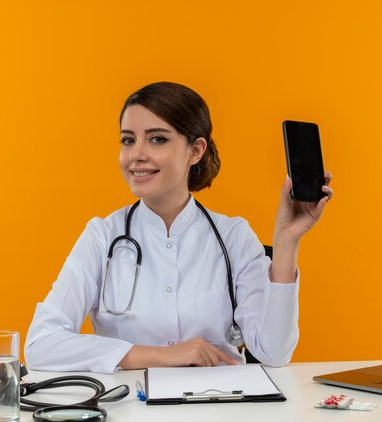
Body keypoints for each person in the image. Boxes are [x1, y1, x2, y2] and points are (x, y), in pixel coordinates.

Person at [24, 82, 333, 374]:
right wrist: (160, 355)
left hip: (218, 408)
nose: (136, 155)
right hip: (132, 409)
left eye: (157, 138)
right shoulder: (102, 236)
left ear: (195, 151)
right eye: (128, 139)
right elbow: (41, 344)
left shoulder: (234, 237)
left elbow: (273, 353)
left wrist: (287, 241)